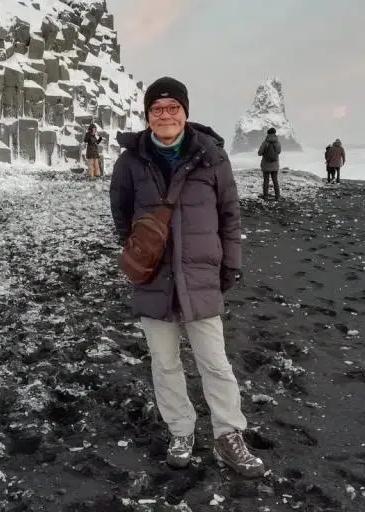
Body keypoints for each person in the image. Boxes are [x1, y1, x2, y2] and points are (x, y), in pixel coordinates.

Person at [109, 76, 266, 478]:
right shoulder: (130, 161)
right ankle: (181, 430)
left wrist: (230, 263)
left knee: (214, 362)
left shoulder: (212, 158)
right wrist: (139, 253)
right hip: (151, 278)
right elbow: (122, 215)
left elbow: (230, 216)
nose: (165, 115)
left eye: (172, 107)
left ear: (185, 111)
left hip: (200, 274)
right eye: (156, 109)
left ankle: (229, 433)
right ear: (147, 116)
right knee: (164, 362)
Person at [257, 127, 281, 200]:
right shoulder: (278, 143)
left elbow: (259, 153)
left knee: (266, 181)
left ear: (268, 134)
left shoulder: (265, 142)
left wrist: (265, 153)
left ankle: (266, 196)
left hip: (266, 165)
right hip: (275, 165)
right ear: (274, 133)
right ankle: (277, 196)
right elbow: (279, 152)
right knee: (275, 181)